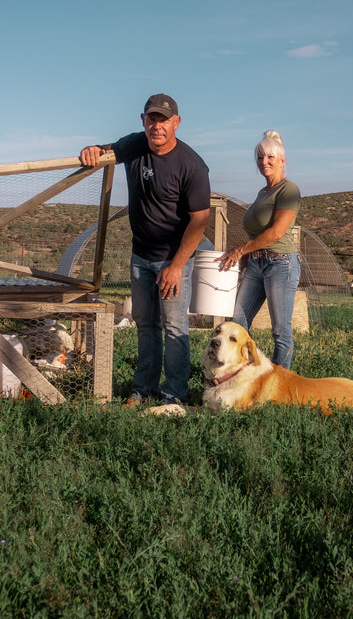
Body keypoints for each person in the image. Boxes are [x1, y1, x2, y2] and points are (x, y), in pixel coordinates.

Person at [80, 94, 211, 406]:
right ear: (143, 120)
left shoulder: (192, 166)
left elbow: (200, 221)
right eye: (152, 119)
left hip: (174, 259)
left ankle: (174, 394)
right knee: (146, 325)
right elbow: (106, 150)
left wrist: (177, 266)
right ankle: (143, 389)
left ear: (176, 123)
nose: (157, 126)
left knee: (175, 327)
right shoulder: (135, 144)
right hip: (141, 257)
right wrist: (92, 149)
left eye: (163, 120)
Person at [218, 130, 302, 369]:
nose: (264, 162)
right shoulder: (262, 193)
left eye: (269, 157)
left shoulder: (289, 190)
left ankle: (278, 385)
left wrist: (240, 250)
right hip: (256, 264)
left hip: (281, 264)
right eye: (259, 158)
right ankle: (237, 374)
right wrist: (246, 258)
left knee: (280, 330)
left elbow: (275, 232)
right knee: (237, 322)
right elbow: (256, 232)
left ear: (282, 161)